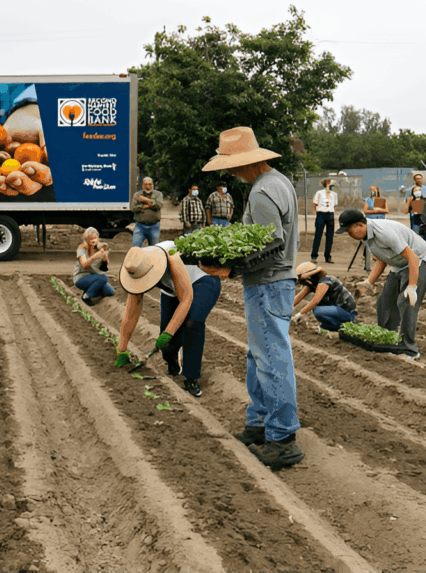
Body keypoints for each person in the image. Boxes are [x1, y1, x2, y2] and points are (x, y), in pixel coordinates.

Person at [201, 126, 303, 470]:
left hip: (268, 284)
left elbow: (271, 244)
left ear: (245, 163)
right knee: (259, 356)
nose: (228, 172)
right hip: (275, 284)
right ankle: (259, 424)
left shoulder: (261, 192)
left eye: (230, 165)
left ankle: (282, 439)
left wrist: (230, 270)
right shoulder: (279, 181)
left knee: (271, 358)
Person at [115, 243, 221, 397]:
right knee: (167, 342)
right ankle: (173, 364)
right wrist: (122, 349)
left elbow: (186, 299)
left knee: (192, 323)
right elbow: (131, 314)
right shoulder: (136, 266)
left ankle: (191, 376)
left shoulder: (171, 256)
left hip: (202, 282)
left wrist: (169, 333)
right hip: (171, 288)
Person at [337, 209, 426, 359]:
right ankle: (388, 339)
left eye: (349, 231)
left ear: (360, 225)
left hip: (420, 261)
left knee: (406, 302)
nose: (349, 235)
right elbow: (382, 260)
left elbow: (413, 258)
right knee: (384, 302)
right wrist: (368, 282)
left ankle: (409, 349)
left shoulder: (384, 232)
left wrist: (412, 287)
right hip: (399, 265)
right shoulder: (366, 236)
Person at [291, 262, 357, 332]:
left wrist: (299, 315)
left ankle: (339, 326)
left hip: (347, 312)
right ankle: (329, 326)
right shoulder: (312, 284)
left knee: (317, 310)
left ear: (308, 277)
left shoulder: (325, 282)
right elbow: (298, 297)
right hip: (336, 309)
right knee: (317, 305)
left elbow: (315, 301)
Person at [73, 227, 115, 306]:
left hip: (94, 277)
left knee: (110, 291)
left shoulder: (99, 247)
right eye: (90, 238)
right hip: (81, 278)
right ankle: (87, 296)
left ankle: (90, 290)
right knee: (104, 278)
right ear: (86, 239)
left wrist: (105, 258)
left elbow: (104, 268)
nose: (93, 240)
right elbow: (84, 265)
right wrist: (95, 256)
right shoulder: (81, 249)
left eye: (95, 238)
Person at [362, 185, 389, 272]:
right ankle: (368, 262)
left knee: (380, 240)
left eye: (374, 190)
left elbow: (386, 210)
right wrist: (375, 210)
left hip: (380, 221)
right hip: (370, 221)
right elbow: (365, 210)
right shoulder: (368, 200)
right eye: (371, 190)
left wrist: (379, 210)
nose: (373, 192)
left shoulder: (382, 200)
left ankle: (380, 261)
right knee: (370, 240)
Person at [310, 178, 338, 264]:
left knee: (330, 236)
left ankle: (327, 256)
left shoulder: (334, 194)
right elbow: (315, 203)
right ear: (326, 184)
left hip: (330, 214)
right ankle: (314, 256)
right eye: (329, 183)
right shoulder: (319, 193)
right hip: (321, 214)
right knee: (318, 235)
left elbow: (335, 204)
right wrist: (319, 211)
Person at [130, 177, 163, 247]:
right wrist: (148, 205)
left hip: (154, 226)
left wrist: (146, 200)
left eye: (150, 184)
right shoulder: (137, 195)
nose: (148, 187)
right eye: (146, 184)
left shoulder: (158, 194)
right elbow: (133, 208)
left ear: (152, 185)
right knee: (135, 247)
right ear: (142, 185)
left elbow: (159, 205)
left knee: (155, 249)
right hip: (140, 226)